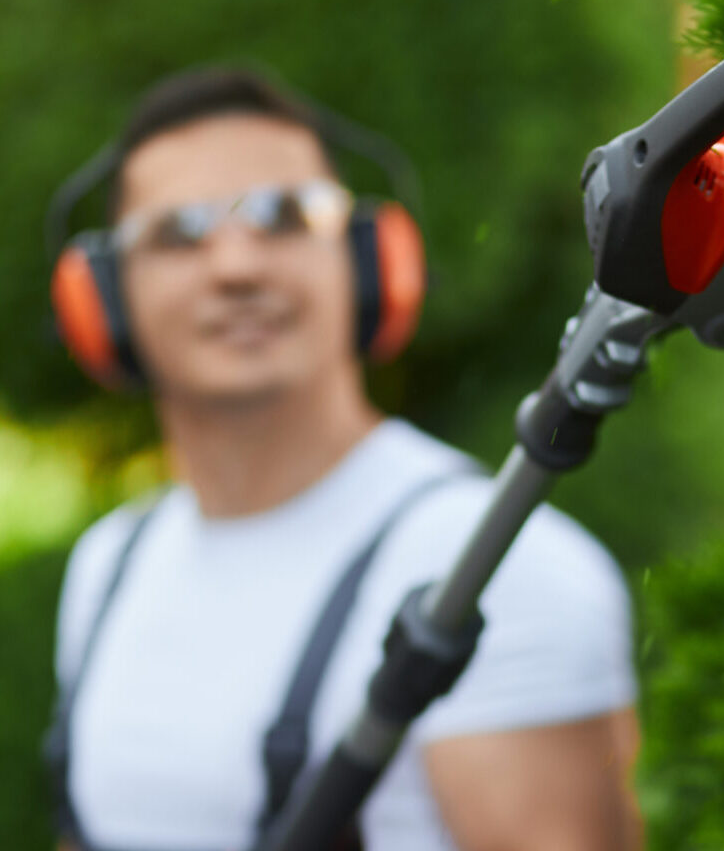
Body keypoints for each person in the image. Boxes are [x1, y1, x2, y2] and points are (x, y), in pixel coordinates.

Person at [47, 66, 643, 851]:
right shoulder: (109, 563)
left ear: (369, 262)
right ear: (104, 301)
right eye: (178, 233)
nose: (236, 268)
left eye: (284, 216)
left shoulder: (502, 567)